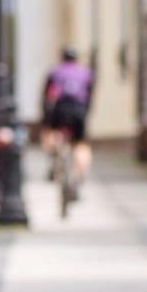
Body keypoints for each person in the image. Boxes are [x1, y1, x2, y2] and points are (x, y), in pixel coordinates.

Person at [42, 47, 94, 187]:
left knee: (53, 134)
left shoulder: (55, 71)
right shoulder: (86, 72)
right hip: (79, 109)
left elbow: (47, 96)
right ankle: (80, 176)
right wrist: (86, 112)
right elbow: (90, 95)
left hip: (60, 108)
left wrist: (46, 119)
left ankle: (53, 160)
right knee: (81, 144)